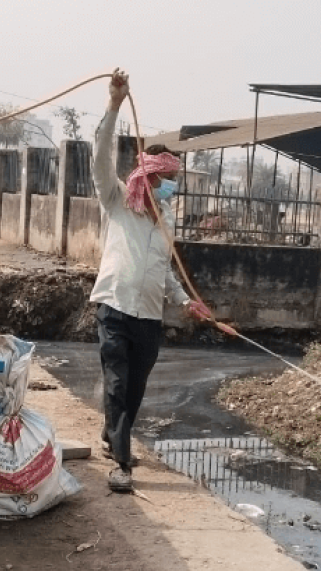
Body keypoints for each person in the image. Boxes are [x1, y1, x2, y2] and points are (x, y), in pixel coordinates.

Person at [90, 69, 219, 492]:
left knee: (135, 389)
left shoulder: (166, 220)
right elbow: (100, 157)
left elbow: (164, 269)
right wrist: (113, 105)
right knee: (117, 382)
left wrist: (184, 301)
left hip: (148, 316)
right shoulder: (117, 202)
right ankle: (121, 465)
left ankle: (112, 436)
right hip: (114, 307)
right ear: (149, 176)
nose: (172, 189)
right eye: (168, 181)